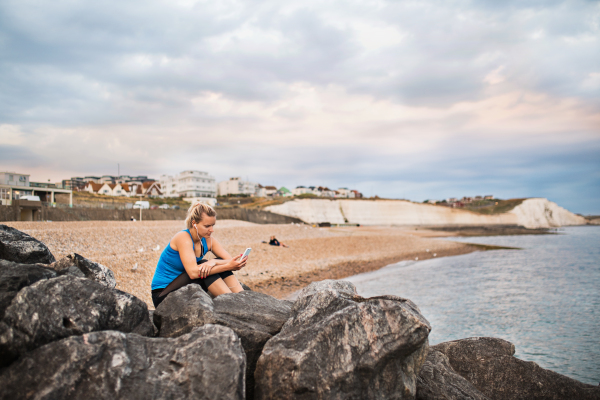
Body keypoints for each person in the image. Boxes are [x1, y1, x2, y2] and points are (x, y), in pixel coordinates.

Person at [151, 202, 247, 308]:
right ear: (194, 224)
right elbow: (193, 273)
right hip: (163, 295)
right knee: (203, 266)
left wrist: (213, 262)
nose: (212, 230)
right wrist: (223, 265)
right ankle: (232, 305)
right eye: (207, 226)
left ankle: (243, 299)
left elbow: (230, 260)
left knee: (210, 265)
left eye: (212, 225)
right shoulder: (183, 237)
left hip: (185, 288)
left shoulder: (209, 241)